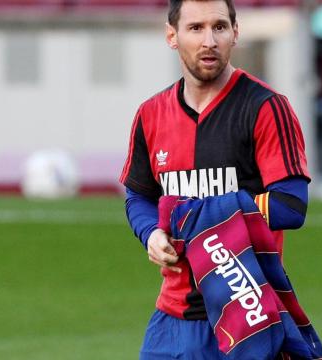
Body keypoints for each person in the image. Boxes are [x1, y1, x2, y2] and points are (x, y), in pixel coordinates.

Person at [120, 0, 311, 358]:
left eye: (219, 27)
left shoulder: (266, 107)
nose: (209, 40)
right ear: (172, 36)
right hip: (172, 320)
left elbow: (291, 205)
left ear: (235, 33)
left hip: (247, 315)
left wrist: (203, 215)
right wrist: (151, 233)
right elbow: (138, 196)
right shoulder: (151, 114)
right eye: (195, 28)